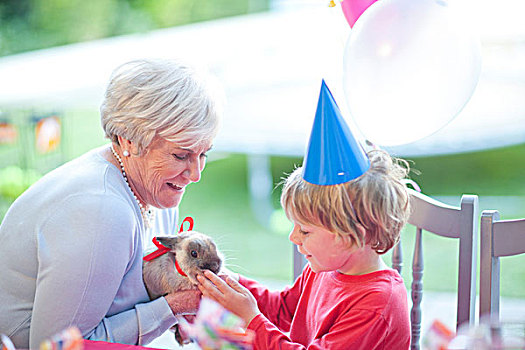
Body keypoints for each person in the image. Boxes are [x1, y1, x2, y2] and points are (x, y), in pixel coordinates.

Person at [0, 59, 222, 349]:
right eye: (181, 156)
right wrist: (174, 307)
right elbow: (59, 346)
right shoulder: (101, 212)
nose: (196, 175)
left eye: (204, 154)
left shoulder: (150, 188)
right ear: (128, 140)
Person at [197, 81, 411, 349]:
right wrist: (230, 281)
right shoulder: (327, 267)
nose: (293, 237)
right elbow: (285, 310)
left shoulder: (376, 305)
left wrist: (251, 320)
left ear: (350, 233)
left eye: (305, 230)